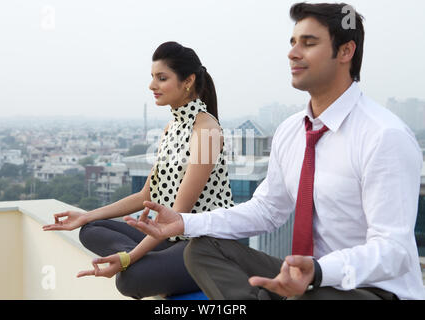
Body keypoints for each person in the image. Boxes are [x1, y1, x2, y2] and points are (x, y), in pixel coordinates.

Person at [124, 3, 425, 300]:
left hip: (369, 289)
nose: (293, 53)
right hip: (307, 279)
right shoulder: (291, 131)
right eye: (293, 42)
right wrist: (186, 221)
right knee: (203, 249)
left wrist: (319, 272)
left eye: (308, 43)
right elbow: (267, 210)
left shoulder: (384, 136)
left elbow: (393, 250)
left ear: (346, 52)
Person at [42, 41, 234, 299]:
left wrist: (127, 258)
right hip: (166, 237)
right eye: (152, 77)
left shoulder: (206, 130)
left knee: (130, 281)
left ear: (187, 81)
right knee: (91, 228)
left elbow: (178, 215)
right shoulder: (172, 128)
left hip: (202, 245)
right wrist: (85, 215)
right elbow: (147, 194)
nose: (152, 86)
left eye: (161, 78)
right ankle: (148, 257)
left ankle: (142, 259)